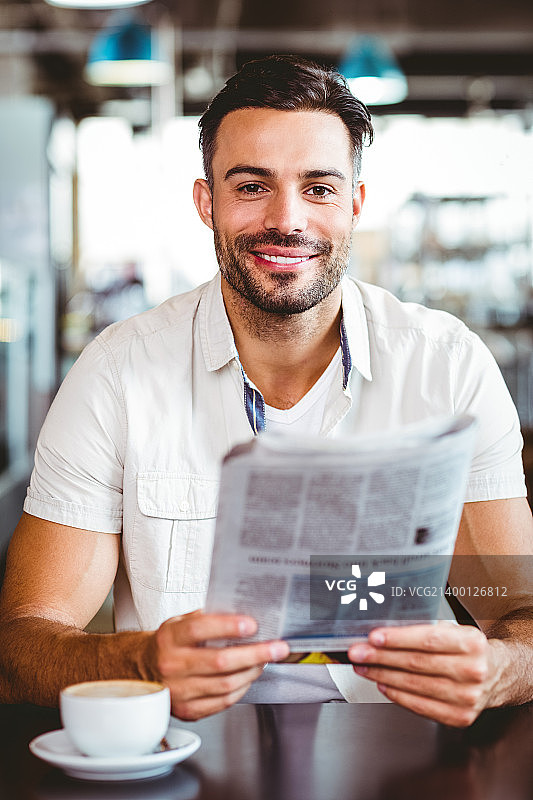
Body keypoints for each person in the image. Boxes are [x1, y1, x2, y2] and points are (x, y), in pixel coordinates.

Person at [1, 55, 532, 727]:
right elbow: (20, 645)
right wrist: (140, 665)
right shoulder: (116, 375)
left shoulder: (447, 366)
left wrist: (499, 670)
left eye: (318, 188)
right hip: (185, 756)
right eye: (252, 186)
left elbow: (520, 615)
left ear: (354, 205)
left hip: (395, 757)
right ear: (206, 202)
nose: (287, 219)